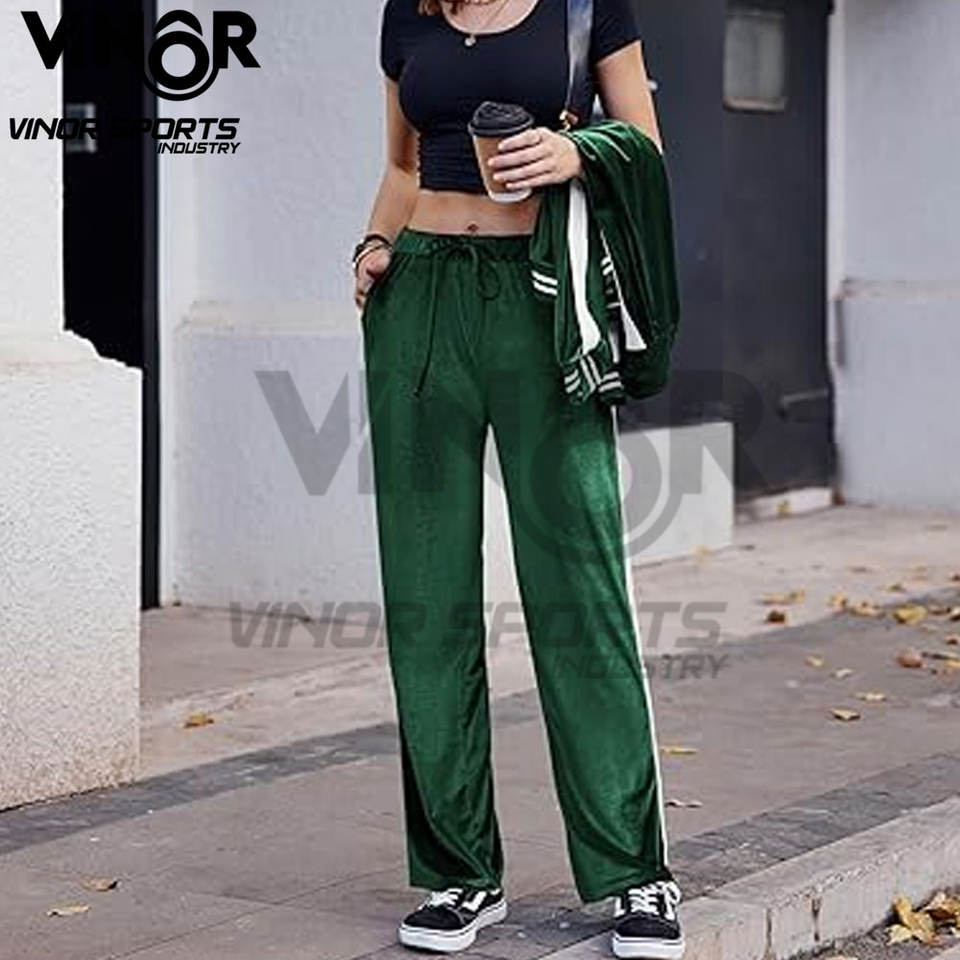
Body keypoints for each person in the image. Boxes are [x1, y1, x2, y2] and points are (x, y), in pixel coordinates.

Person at [352, 1, 684, 956]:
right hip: (420, 296)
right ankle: (460, 872)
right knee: (426, 595)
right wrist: (372, 247)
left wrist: (576, 154)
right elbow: (402, 167)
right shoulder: (409, 14)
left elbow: (646, 145)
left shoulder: (587, 7)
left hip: (543, 299)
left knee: (579, 586)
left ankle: (634, 870)